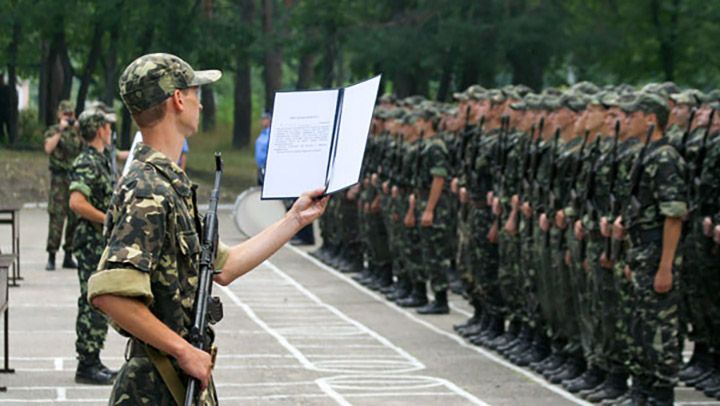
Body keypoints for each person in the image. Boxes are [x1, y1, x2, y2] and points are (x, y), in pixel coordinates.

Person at [87, 53, 328, 405]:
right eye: (196, 91)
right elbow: (111, 293)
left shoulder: (168, 184)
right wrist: (183, 350)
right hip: (156, 387)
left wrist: (295, 219)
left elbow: (223, 266)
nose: (201, 103)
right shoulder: (147, 189)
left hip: (176, 378)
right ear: (178, 99)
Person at [68, 107, 119, 385]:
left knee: (98, 301)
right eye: (108, 127)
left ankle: (93, 359)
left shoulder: (100, 160)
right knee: (92, 301)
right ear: (99, 130)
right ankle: (86, 364)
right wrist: (107, 220)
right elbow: (76, 202)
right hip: (90, 244)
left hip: (99, 243)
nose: (110, 131)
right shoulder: (87, 161)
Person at [44, 100, 84, 271]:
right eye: (65, 115)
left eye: (71, 115)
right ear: (59, 115)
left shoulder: (78, 133)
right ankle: (52, 254)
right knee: (57, 217)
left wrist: (79, 129)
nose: (69, 118)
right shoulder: (54, 131)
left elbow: (87, 147)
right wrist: (60, 130)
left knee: (74, 217)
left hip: (74, 178)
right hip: (59, 179)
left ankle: (69, 254)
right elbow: (48, 148)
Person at [255, 111, 271, 185]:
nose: (263, 121)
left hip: (267, 166)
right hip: (260, 166)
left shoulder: (271, 133)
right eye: (262, 119)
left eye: (265, 119)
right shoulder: (262, 133)